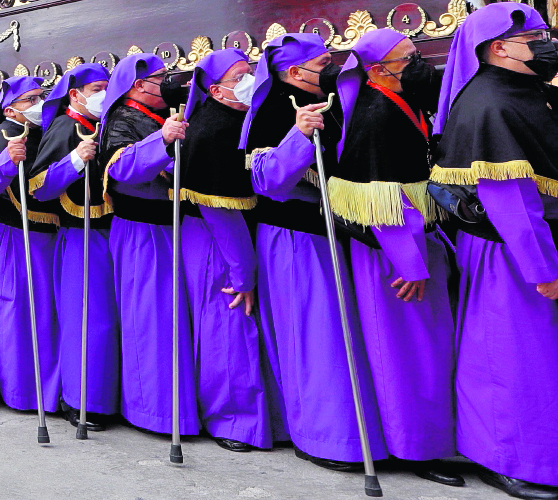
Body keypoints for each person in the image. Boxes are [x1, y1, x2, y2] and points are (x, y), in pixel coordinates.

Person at [430, 2, 558, 499]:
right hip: (512, 253)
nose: (547, 47)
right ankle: (509, 460)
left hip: (536, 242)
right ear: (499, 48)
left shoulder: (525, 90)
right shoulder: (488, 104)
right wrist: (542, 270)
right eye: (536, 40)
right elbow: (511, 203)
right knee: (513, 362)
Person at [242, 33, 386, 472]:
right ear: (293, 72)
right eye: (323, 62)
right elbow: (267, 181)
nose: (331, 68)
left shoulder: (332, 100)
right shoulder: (272, 110)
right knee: (315, 335)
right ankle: (324, 437)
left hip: (333, 235)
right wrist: (299, 136)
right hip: (293, 239)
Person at [332, 27, 461, 486]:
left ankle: (436, 437)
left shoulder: (400, 98)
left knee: (429, 346)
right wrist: (409, 265)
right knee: (408, 352)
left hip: (414, 243)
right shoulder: (375, 117)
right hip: (393, 254)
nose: (419, 64)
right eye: (407, 58)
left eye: (415, 53)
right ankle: (415, 448)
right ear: (377, 70)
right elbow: (383, 202)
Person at [176, 49, 274, 452]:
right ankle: (231, 420)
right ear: (215, 90)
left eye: (249, 72)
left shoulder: (238, 117)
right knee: (228, 325)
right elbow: (219, 209)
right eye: (239, 76)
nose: (249, 80)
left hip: (231, 237)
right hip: (218, 241)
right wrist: (242, 271)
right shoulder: (212, 129)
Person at [97, 53, 198, 437]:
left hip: (174, 228)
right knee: (151, 321)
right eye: (160, 79)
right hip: (141, 230)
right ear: (138, 86)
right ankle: (151, 410)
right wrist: (163, 141)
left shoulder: (163, 114)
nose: (168, 84)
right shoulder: (121, 120)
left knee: (176, 319)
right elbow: (121, 168)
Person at [0, 75, 63, 414]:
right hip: (12, 234)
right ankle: (20, 391)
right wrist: (7, 161)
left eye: (42, 97)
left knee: (46, 315)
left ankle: (49, 389)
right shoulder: (2, 135)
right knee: (16, 313)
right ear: (11, 109)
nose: (39, 104)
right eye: (31, 100)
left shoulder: (45, 131)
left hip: (46, 235)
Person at [33, 63, 114, 430]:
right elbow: (39, 186)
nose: (102, 93)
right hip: (80, 234)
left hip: (112, 232)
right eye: (96, 88)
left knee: (109, 320)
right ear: (75, 94)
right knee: (88, 320)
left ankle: (108, 396)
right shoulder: (66, 128)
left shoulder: (106, 122)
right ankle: (82, 401)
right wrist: (74, 161)